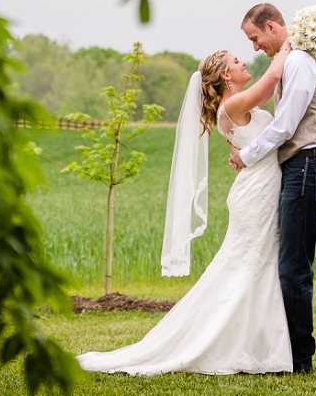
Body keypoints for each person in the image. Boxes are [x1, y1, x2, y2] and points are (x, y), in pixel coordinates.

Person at [76, 43, 294, 375]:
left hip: (260, 188)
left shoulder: (235, 104)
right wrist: (294, 39)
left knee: (257, 265)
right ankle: (244, 347)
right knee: (249, 266)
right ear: (225, 75)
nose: (244, 61)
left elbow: (264, 104)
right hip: (255, 195)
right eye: (237, 61)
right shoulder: (232, 104)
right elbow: (274, 74)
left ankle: (260, 348)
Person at [229, 3, 316, 375]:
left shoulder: (299, 61)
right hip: (301, 168)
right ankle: (287, 352)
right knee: (288, 263)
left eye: (255, 38)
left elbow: (287, 126)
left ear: (271, 26)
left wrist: (247, 154)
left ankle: (299, 360)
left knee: (293, 268)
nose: (255, 48)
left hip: (308, 166)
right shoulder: (291, 60)